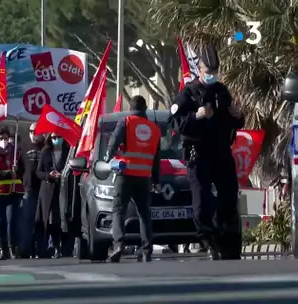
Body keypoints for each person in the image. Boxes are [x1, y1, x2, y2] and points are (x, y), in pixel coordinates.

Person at [170, 45, 245, 260]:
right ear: (200, 70)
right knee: (201, 201)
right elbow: (176, 124)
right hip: (199, 154)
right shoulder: (189, 94)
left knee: (229, 197)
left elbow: (234, 121)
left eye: (215, 72)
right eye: (208, 71)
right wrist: (196, 116)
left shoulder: (222, 91)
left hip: (221, 152)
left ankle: (222, 234)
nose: (212, 75)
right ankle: (208, 239)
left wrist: (239, 116)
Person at [105, 95, 162, 263]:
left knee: (118, 210)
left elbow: (112, 145)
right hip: (144, 177)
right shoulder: (154, 129)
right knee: (144, 213)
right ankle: (146, 250)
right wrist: (156, 180)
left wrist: (112, 156)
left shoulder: (126, 122)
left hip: (125, 174)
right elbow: (156, 159)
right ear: (145, 110)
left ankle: (118, 245)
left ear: (131, 108)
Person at [0, 126, 25, 260]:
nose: (4, 141)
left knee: (11, 220)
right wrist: (7, 173)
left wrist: (17, 170)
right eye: (1, 138)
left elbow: (22, 171)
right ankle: (1, 249)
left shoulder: (15, 153)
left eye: (6, 138)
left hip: (13, 191)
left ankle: (12, 248)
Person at [35, 133, 71, 258]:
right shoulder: (45, 152)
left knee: (64, 217)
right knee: (51, 220)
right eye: (54, 138)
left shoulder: (68, 151)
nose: (56, 140)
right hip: (49, 189)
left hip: (64, 188)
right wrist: (49, 175)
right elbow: (38, 172)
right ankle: (55, 246)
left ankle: (66, 247)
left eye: (58, 137)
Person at [22, 122, 45, 258]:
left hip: (43, 188)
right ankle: (26, 250)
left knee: (41, 220)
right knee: (27, 220)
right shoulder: (23, 146)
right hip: (28, 188)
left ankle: (41, 249)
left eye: (36, 131)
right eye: (31, 131)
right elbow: (19, 166)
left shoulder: (46, 147)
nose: (33, 134)